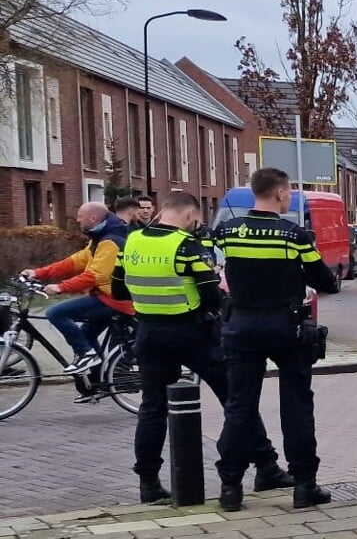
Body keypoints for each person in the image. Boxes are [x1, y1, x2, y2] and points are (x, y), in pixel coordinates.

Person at [112, 191, 296, 504]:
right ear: (189, 215)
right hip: (192, 332)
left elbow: (118, 288)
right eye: (196, 220)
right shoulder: (186, 246)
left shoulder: (132, 242)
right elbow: (211, 295)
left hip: (148, 334)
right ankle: (266, 466)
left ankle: (149, 482)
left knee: (152, 408)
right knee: (236, 399)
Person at [211, 168, 339, 512]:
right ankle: (303, 485)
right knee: (296, 405)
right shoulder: (294, 236)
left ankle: (231, 488)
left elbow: (213, 267)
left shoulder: (225, 232)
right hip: (287, 328)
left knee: (239, 406)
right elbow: (326, 281)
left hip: (240, 326)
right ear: (281, 193)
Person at [22, 201, 134, 381]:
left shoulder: (110, 242)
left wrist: (60, 287)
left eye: (80, 217)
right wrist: (38, 273)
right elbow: (74, 262)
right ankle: (98, 382)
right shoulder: (99, 238)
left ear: (93, 218)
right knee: (86, 334)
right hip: (105, 297)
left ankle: (86, 354)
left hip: (115, 300)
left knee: (56, 312)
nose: (77, 220)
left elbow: (95, 276)